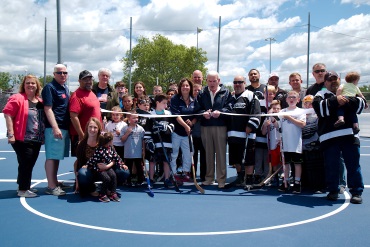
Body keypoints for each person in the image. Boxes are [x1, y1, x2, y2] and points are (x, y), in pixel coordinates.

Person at [312, 71, 365, 204]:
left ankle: (356, 192)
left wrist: (344, 100)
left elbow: (361, 105)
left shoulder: (349, 89)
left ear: (339, 80)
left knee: (353, 165)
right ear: (325, 82)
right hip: (329, 137)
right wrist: (336, 100)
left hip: (349, 135)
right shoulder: (320, 95)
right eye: (330, 80)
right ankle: (333, 190)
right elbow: (320, 109)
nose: (333, 81)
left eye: (335, 79)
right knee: (331, 166)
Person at [3, 75, 45, 197]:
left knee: (29, 162)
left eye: (33, 83)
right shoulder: (17, 98)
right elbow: (8, 114)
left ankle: (24, 185)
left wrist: (42, 137)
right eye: (28, 83)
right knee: (26, 162)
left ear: (37, 85)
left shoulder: (40, 101)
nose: (31, 85)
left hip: (36, 139)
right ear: (24, 85)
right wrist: (11, 134)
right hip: (21, 138)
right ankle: (23, 189)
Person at [75, 118, 129, 196]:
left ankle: (109, 188)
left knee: (124, 172)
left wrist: (107, 166)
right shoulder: (81, 144)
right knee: (82, 174)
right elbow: (78, 163)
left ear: (99, 129)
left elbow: (114, 156)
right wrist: (77, 182)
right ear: (87, 128)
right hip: (91, 170)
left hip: (107, 169)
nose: (92, 129)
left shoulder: (104, 139)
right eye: (90, 127)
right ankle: (91, 188)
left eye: (95, 127)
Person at [197, 71, 232, 188]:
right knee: (208, 154)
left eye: (214, 81)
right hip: (205, 127)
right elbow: (197, 108)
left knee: (221, 154)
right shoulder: (202, 92)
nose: (212, 84)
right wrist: (203, 113)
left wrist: (221, 113)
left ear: (219, 81)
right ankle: (209, 178)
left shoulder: (226, 92)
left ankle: (221, 180)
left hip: (221, 126)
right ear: (206, 81)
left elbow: (230, 107)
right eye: (209, 81)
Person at [225, 75, 261, 188]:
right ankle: (240, 177)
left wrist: (250, 126)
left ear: (244, 83)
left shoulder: (251, 95)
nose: (237, 84)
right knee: (236, 158)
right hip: (232, 134)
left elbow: (256, 113)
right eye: (235, 82)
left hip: (247, 135)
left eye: (240, 82)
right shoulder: (230, 97)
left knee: (248, 158)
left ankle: (249, 179)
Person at [42, 64, 70, 196]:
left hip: (63, 127)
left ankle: (55, 181)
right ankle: (51, 186)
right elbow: (48, 108)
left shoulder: (65, 88)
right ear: (54, 74)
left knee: (56, 156)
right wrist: (55, 127)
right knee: (52, 156)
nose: (63, 75)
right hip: (55, 128)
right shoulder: (49, 87)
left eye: (65, 73)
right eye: (59, 73)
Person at [169, 78, 198, 181]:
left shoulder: (194, 99)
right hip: (176, 132)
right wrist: (186, 126)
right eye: (183, 86)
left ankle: (186, 172)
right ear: (180, 88)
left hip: (188, 134)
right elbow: (176, 115)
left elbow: (197, 114)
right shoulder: (175, 99)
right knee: (174, 153)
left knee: (188, 154)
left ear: (190, 87)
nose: (185, 87)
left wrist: (192, 122)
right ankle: (173, 173)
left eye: (187, 85)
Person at [278, 90, 306, 193]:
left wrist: (289, 117)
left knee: (297, 164)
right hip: (285, 144)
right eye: (289, 97)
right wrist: (271, 120)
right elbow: (278, 126)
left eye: (294, 97)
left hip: (296, 143)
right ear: (286, 99)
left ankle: (297, 183)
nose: (291, 99)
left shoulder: (300, 111)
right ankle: (286, 182)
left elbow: (302, 124)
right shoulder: (282, 112)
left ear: (298, 100)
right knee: (286, 164)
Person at [69, 70, 101, 156]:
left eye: (90, 79)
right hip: (83, 135)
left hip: (94, 134)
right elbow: (73, 116)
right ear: (79, 81)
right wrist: (81, 135)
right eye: (85, 80)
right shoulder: (76, 96)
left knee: (93, 161)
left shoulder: (92, 93)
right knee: (81, 161)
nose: (89, 82)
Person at [147, 94, 175, 188]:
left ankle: (166, 179)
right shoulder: (151, 115)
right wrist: (149, 141)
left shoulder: (168, 114)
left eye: (166, 103)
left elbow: (172, 127)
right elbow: (148, 130)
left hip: (166, 142)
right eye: (163, 103)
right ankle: (151, 179)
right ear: (157, 103)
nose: (165, 106)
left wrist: (165, 128)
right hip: (155, 142)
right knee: (152, 161)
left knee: (166, 161)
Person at [86, 132, 123, 202]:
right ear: (108, 141)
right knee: (106, 178)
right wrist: (92, 166)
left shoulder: (111, 149)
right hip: (99, 169)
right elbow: (93, 160)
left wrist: (121, 164)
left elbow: (116, 157)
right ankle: (102, 194)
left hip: (108, 167)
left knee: (113, 176)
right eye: (112, 140)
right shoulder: (99, 150)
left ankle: (113, 192)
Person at [120, 111, 145, 186]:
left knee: (139, 167)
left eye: (137, 117)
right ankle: (128, 181)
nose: (136, 119)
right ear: (129, 119)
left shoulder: (141, 129)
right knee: (128, 167)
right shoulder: (125, 128)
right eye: (134, 118)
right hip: (128, 152)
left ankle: (140, 180)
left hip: (138, 152)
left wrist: (143, 150)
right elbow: (122, 139)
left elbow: (143, 140)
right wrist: (127, 133)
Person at [261, 99, 281, 187]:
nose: (276, 110)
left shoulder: (283, 117)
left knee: (283, 162)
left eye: (278, 108)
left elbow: (280, 128)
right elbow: (263, 132)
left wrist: (273, 119)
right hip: (272, 143)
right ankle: (275, 177)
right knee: (274, 162)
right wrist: (265, 125)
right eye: (274, 108)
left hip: (281, 143)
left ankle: (284, 178)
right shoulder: (267, 118)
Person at [191, 83, 206, 181]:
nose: (196, 92)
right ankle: (193, 174)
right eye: (195, 90)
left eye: (198, 90)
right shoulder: (189, 102)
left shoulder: (204, 102)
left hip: (203, 133)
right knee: (193, 155)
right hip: (193, 134)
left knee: (204, 156)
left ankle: (204, 175)